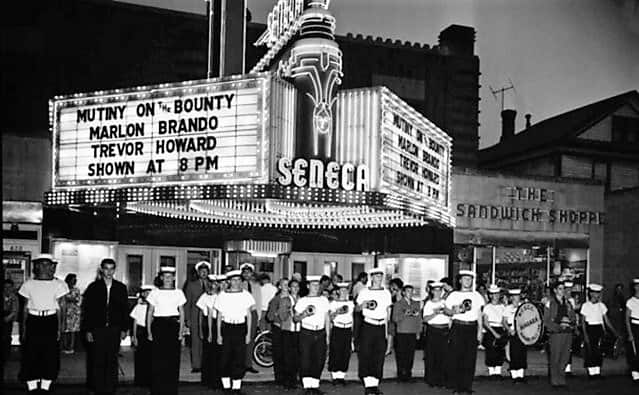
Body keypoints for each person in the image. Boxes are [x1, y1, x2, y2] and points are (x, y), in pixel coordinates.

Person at [18, 254, 69, 393]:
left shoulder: (59, 284)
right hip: (33, 321)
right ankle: (32, 387)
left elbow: (61, 307)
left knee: (50, 354)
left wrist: (61, 327)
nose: (45, 267)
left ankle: (46, 387)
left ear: (53, 266)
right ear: (37, 266)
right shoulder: (28, 284)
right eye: (42, 264)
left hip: (50, 320)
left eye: (49, 264)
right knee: (31, 354)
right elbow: (24, 308)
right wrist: (23, 328)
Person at [82, 258, 129, 395]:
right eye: (106, 268)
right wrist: (88, 330)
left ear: (115, 270)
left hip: (114, 329)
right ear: (102, 269)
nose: (109, 272)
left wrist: (124, 329)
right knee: (97, 359)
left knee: (112, 359)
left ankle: (110, 388)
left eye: (111, 268)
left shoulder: (121, 287)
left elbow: (124, 309)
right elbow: (88, 310)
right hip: (97, 329)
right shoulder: (93, 287)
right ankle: (97, 388)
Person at [443, 270, 485, 394]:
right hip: (458, 327)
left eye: (470, 279)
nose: (468, 281)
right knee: (456, 357)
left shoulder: (477, 296)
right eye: (465, 279)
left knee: (470, 359)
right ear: (460, 280)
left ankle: (467, 386)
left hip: (471, 327)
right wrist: (453, 312)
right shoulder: (454, 295)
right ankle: (457, 386)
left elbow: (479, 314)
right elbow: (446, 310)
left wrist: (480, 331)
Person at [146, 266, 187, 395]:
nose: (168, 279)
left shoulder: (178, 293)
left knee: (173, 359)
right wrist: (149, 332)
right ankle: (158, 389)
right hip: (159, 326)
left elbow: (182, 313)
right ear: (161, 278)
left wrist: (181, 332)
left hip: (173, 326)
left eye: (170, 276)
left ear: (174, 278)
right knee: (158, 359)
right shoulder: (155, 293)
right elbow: (150, 313)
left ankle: (171, 389)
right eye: (165, 276)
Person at [214, 269, 255, 393]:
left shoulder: (246, 295)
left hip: (240, 328)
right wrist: (219, 335)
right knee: (225, 357)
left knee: (239, 358)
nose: (236, 282)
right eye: (233, 280)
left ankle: (236, 387)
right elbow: (219, 316)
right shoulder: (222, 295)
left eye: (238, 280)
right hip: (227, 328)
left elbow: (249, 315)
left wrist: (248, 334)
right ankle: (226, 386)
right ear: (229, 281)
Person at [356, 268, 392, 395]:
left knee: (378, 356)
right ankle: (367, 385)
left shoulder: (386, 292)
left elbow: (388, 313)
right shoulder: (364, 292)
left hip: (381, 325)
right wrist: (362, 305)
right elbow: (357, 309)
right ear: (371, 278)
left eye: (380, 276)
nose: (379, 279)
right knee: (366, 355)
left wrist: (387, 333)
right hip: (368, 324)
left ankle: (375, 385)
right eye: (376, 276)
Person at [294, 275, 330, 394]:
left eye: (317, 285)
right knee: (305, 360)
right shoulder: (302, 300)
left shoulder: (324, 300)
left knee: (319, 359)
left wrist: (328, 336)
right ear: (308, 286)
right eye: (313, 285)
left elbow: (327, 318)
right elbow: (295, 318)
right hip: (306, 332)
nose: (316, 287)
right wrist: (304, 314)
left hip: (320, 332)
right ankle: (307, 386)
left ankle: (315, 386)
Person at [581, 283, 619, 379]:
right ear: (591, 294)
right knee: (591, 350)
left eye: (598, 293)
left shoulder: (601, 305)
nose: (597, 295)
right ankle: (591, 372)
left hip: (599, 329)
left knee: (599, 351)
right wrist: (585, 334)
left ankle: (597, 371)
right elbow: (583, 322)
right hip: (590, 328)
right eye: (595, 293)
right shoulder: (586, 305)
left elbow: (606, 320)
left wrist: (614, 332)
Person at [543, 280, 577, 388]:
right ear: (555, 290)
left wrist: (571, 325)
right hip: (556, 333)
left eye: (564, 289)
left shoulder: (568, 303)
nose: (562, 291)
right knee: (555, 357)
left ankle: (561, 379)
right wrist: (557, 327)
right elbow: (546, 320)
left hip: (567, 333)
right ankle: (554, 380)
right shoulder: (550, 303)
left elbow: (573, 317)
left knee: (565, 357)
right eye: (560, 289)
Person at [183, 260, 210, 373]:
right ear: (198, 272)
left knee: (208, 341)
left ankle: (207, 364)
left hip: (208, 316)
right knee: (196, 341)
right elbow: (187, 303)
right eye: (201, 271)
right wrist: (187, 319)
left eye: (205, 271)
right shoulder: (191, 285)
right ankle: (196, 365)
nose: (203, 273)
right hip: (195, 316)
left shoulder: (212, 284)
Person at [422, 282, 449, 387]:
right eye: (435, 290)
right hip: (433, 330)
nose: (437, 292)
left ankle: (441, 379)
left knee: (443, 356)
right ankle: (431, 379)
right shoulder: (429, 303)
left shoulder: (445, 302)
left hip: (444, 330)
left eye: (439, 290)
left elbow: (450, 316)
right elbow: (425, 319)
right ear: (432, 291)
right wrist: (435, 313)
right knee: (431, 355)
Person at [392, 284, 421, 381]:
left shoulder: (416, 304)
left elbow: (418, 319)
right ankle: (401, 374)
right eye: (408, 291)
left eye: (412, 291)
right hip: (402, 332)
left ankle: (408, 373)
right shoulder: (398, 304)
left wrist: (418, 331)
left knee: (410, 354)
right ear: (403, 292)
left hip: (412, 332)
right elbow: (395, 318)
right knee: (401, 354)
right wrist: (404, 313)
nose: (410, 293)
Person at [328, 282, 353, 385]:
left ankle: (341, 376)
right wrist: (337, 311)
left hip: (347, 328)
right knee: (336, 352)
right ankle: (335, 376)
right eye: (342, 290)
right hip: (338, 328)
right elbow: (330, 317)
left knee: (345, 353)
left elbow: (352, 318)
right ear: (338, 291)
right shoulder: (333, 303)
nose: (344, 292)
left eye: (346, 290)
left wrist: (353, 333)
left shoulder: (351, 303)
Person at [198, 274, 221, 388]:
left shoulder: (222, 296)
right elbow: (201, 313)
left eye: (216, 283)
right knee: (208, 353)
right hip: (209, 325)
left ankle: (218, 379)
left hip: (220, 323)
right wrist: (201, 330)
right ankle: (208, 379)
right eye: (211, 283)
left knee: (219, 353)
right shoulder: (205, 296)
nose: (214, 285)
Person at [130, 284, 155, 388]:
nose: (147, 295)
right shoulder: (138, 306)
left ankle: (151, 380)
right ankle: (140, 380)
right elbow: (135, 322)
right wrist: (134, 336)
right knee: (140, 357)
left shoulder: (155, 306)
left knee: (151, 357)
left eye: (149, 292)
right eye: (145, 293)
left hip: (151, 332)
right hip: (141, 332)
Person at [266, 278, 289, 386]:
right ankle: (280, 379)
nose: (286, 286)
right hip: (279, 329)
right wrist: (277, 314)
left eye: (287, 284)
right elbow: (269, 317)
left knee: (289, 355)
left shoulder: (293, 298)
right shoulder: (275, 299)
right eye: (284, 284)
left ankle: (289, 378)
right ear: (279, 286)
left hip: (290, 330)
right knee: (279, 354)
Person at [482, 284, 507, 379]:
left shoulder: (502, 307)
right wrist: (494, 332)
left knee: (500, 350)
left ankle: (498, 371)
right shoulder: (487, 307)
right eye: (493, 294)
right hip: (491, 328)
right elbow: (486, 322)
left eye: (497, 294)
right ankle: (492, 372)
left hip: (500, 327)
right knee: (491, 350)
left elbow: (505, 320)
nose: (496, 296)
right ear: (490, 295)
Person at [240, 263, 260, 374]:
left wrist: (258, 317)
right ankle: (240, 363)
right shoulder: (239, 285)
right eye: (245, 272)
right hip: (242, 314)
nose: (247, 274)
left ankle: (248, 364)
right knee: (242, 339)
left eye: (249, 272)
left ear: (252, 273)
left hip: (253, 313)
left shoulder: (256, 285)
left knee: (251, 340)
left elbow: (259, 301)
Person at [282, 278, 302, 388]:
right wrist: (289, 311)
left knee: (297, 356)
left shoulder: (302, 299)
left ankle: (294, 379)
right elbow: (282, 316)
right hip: (288, 330)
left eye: (297, 287)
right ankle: (287, 380)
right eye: (293, 286)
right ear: (289, 288)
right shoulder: (285, 299)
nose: (295, 289)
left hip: (299, 330)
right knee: (288, 356)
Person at [504, 288, 527, 383]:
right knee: (513, 354)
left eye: (517, 296)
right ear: (511, 297)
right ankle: (514, 376)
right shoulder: (508, 308)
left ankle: (521, 376)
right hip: (513, 332)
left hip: (523, 333)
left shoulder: (524, 307)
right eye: (513, 296)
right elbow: (504, 321)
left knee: (522, 353)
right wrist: (509, 330)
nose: (515, 298)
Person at [61, 274, 81, 354]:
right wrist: (69, 299)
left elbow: (77, 300)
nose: (74, 281)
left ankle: (71, 347)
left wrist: (69, 299)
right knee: (65, 329)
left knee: (73, 330)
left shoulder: (76, 290)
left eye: (75, 280)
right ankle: (65, 347)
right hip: (65, 311)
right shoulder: (63, 289)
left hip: (74, 312)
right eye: (72, 279)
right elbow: (62, 299)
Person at [625, 278, 639, 383]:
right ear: (634, 287)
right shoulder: (630, 301)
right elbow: (627, 319)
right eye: (637, 286)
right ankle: (635, 374)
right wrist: (630, 333)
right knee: (634, 351)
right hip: (635, 326)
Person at [352, 272, 368, 352]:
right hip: (360, 308)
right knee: (358, 328)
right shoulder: (360, 286)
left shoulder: (356, 285)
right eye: (366, 278)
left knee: (357, 328)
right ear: (362, 278)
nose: (367, 279)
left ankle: (356, 345)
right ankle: (357, 345)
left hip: (358, 308)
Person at [4, 278, 19, 359]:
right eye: (5, 287)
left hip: (9, 319)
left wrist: (8, 318)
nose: (7, 289)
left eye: (9, 287)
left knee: (6, 337)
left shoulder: (14, 298)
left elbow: (15, 310)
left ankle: (6, 355)